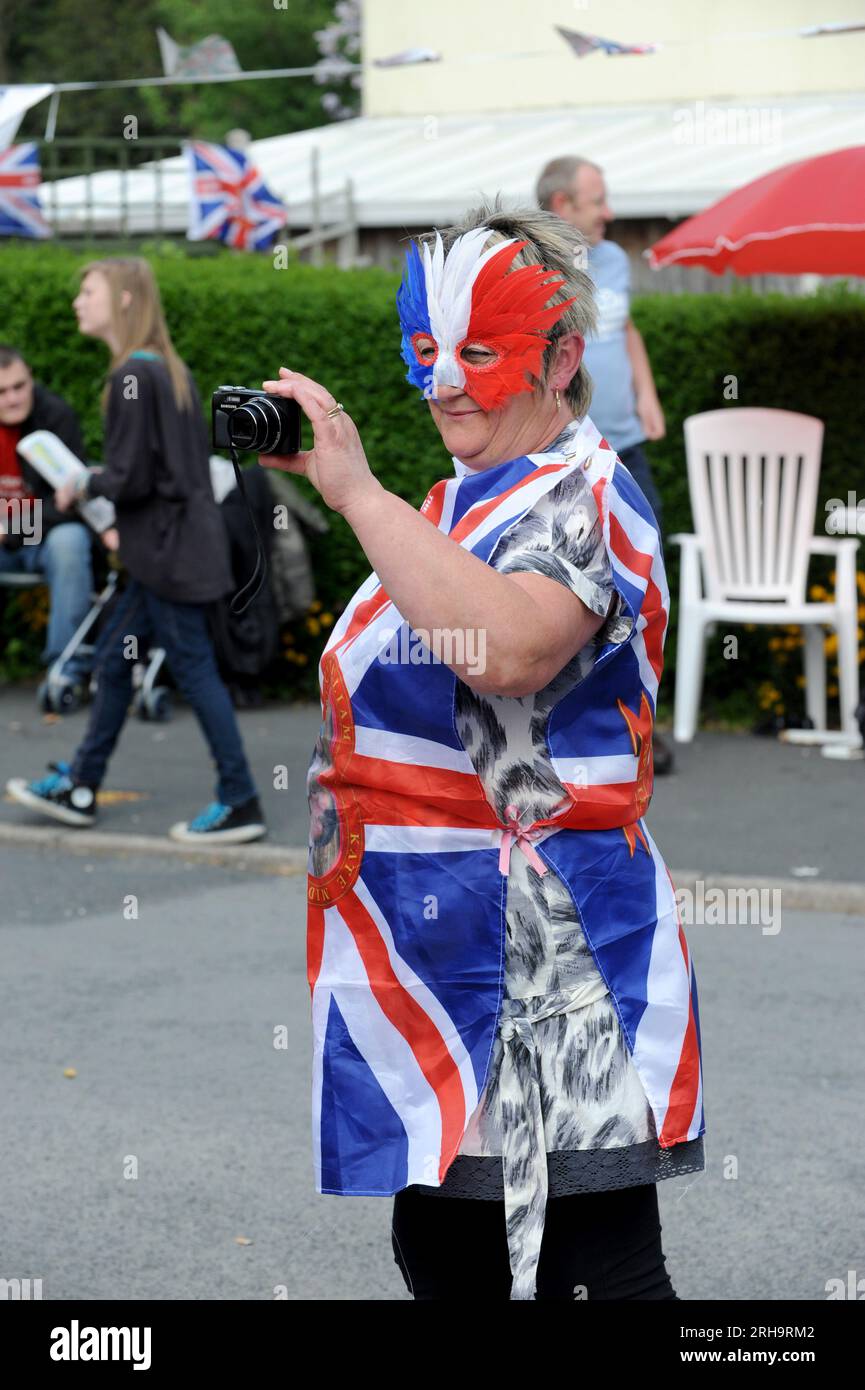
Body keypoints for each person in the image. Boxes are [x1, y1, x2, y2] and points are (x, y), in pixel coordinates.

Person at [259, 202, 705, 1301]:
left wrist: (354, 492)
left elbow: (504, 647)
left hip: (545, 969)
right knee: (447, 1254)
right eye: (426, 351)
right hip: (424, 961)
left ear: (560, 357)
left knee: (588, 1274)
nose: (443, 381)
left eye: (479, 350)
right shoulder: (457, 499)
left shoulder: (588, 492)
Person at [5, 257, 266, 844]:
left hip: (165, 556)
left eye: (88, 290)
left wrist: (84, 484)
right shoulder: (161, 369)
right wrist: (108, 478)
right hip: (169, 552)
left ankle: (241, 799)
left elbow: (131, 479)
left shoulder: (132, 377)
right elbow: (153, 471)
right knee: (114, 665)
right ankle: (80, 785)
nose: (78, 301)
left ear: (123, 299)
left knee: (193, 670)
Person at [537, 155, 675, 773]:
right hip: (573, 454)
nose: (609, 211)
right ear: (563, 206)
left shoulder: (613, 259)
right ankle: (582, 723)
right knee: (582, 586)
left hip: (629, 449)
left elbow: (628, 331)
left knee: (645, 580)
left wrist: (648, 392)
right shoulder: (536, 268)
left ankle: (645, 723)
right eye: (597, 200)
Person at [0, 345, 104, 695]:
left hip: (41, 533)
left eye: (20, 386)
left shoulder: (54, 416)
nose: (14, 398)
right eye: (2, 392)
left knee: (71, 541)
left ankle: (66, 670)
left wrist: (11, 529)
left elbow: (72, 503)